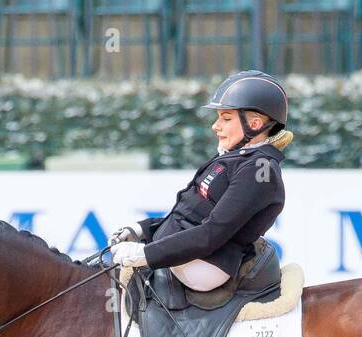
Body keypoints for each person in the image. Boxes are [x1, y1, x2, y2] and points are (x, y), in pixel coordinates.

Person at [109, 70, 290, 291]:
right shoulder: (236, 157)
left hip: (205, 267)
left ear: (254, 124)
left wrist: (145, 254)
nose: (215, 126)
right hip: (193, 256)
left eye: (226, 118)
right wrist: (143, 229)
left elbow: (211, 233)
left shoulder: (259, 171)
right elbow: (189, 215)